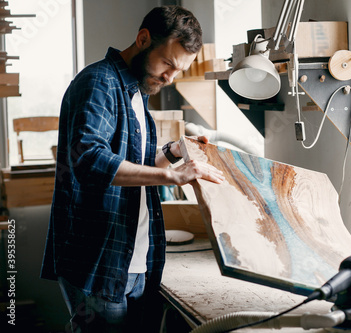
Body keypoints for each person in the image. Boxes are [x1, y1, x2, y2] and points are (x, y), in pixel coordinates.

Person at [40, 6, 224, 332]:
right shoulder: (98, 83)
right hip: (98, 259)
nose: (170, 77)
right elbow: (89, 159)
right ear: (143, 39)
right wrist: (172, 175)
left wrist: (173, 152)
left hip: (134, 259)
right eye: (167, 63)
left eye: (179, 70)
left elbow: (133, 165)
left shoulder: (136, 90)